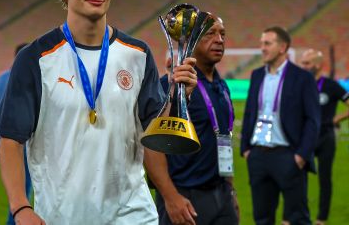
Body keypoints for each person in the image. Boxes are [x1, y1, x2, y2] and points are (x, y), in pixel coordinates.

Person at [0, 0, 198, 224]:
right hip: (62, 214)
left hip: (131, 213)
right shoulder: (36, 57)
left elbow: (153, 132)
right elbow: (10, 140)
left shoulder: (137, 54)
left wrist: (178, 96)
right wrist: (20, 207)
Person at [145, 18, 239, 225]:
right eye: (210, 34)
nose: (219, 40)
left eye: (222, 34)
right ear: (190, 41)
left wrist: (230, 190)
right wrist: (171, 198)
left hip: (221, 194)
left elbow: (223, 139)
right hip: (185, 197)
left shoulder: (222, 86)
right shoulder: (172, 85)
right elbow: (152, 148)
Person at [240, 26, 320, 225]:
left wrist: (301, 156)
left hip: (288, 155)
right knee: (262, 218)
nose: (262, 48)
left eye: (267, 43)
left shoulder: (302, 78)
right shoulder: (257, 74)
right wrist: (246, 150)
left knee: (298, 218)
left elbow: (313, 120)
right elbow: (250, 112)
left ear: (283, 47)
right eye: (261, 43)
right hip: (258, 156)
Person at [299, 49, 349, 225]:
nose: (303, 66)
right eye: (302, 63)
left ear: (318, 65)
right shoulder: (300, 84)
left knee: (325, 179)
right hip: (305, 137)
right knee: (298, 178)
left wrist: (337, 118)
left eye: (307, 63)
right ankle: (299, 215)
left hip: (326, 137)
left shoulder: (331, 85)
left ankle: (322, 219)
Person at [0, 43, 33, 225]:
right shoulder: (26, 79)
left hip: (5, 143)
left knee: (16, 195)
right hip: (26, 143)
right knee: (24, 196)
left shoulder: (0, 80)